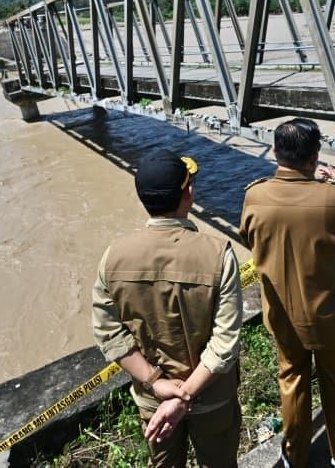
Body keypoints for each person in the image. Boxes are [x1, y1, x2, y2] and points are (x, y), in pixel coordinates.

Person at [92, 150, 242, 467]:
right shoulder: (219, 255)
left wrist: (157, 383)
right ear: (189, 194)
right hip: (212, 399)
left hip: (155, 402)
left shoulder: (113, 257)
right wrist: (186, 395)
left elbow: (108, 334)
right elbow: (224, 342)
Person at [240, 118, 335, 468]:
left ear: (274, 151)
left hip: (283, 314)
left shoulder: (255, 195)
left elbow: (248, 236)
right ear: (315, 156)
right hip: (332, 313)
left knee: (292, 380)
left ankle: (295, 455)